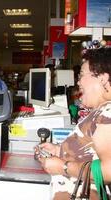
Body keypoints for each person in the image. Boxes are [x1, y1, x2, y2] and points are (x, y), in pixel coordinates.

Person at [36, 47, 111, 199]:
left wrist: (63, 167)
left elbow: (109, 170)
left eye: (82, 75)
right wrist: (61, 150)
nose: (78, 81)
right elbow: (92, 152)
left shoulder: (107, 114)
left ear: (102, 78)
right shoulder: (101, 111)